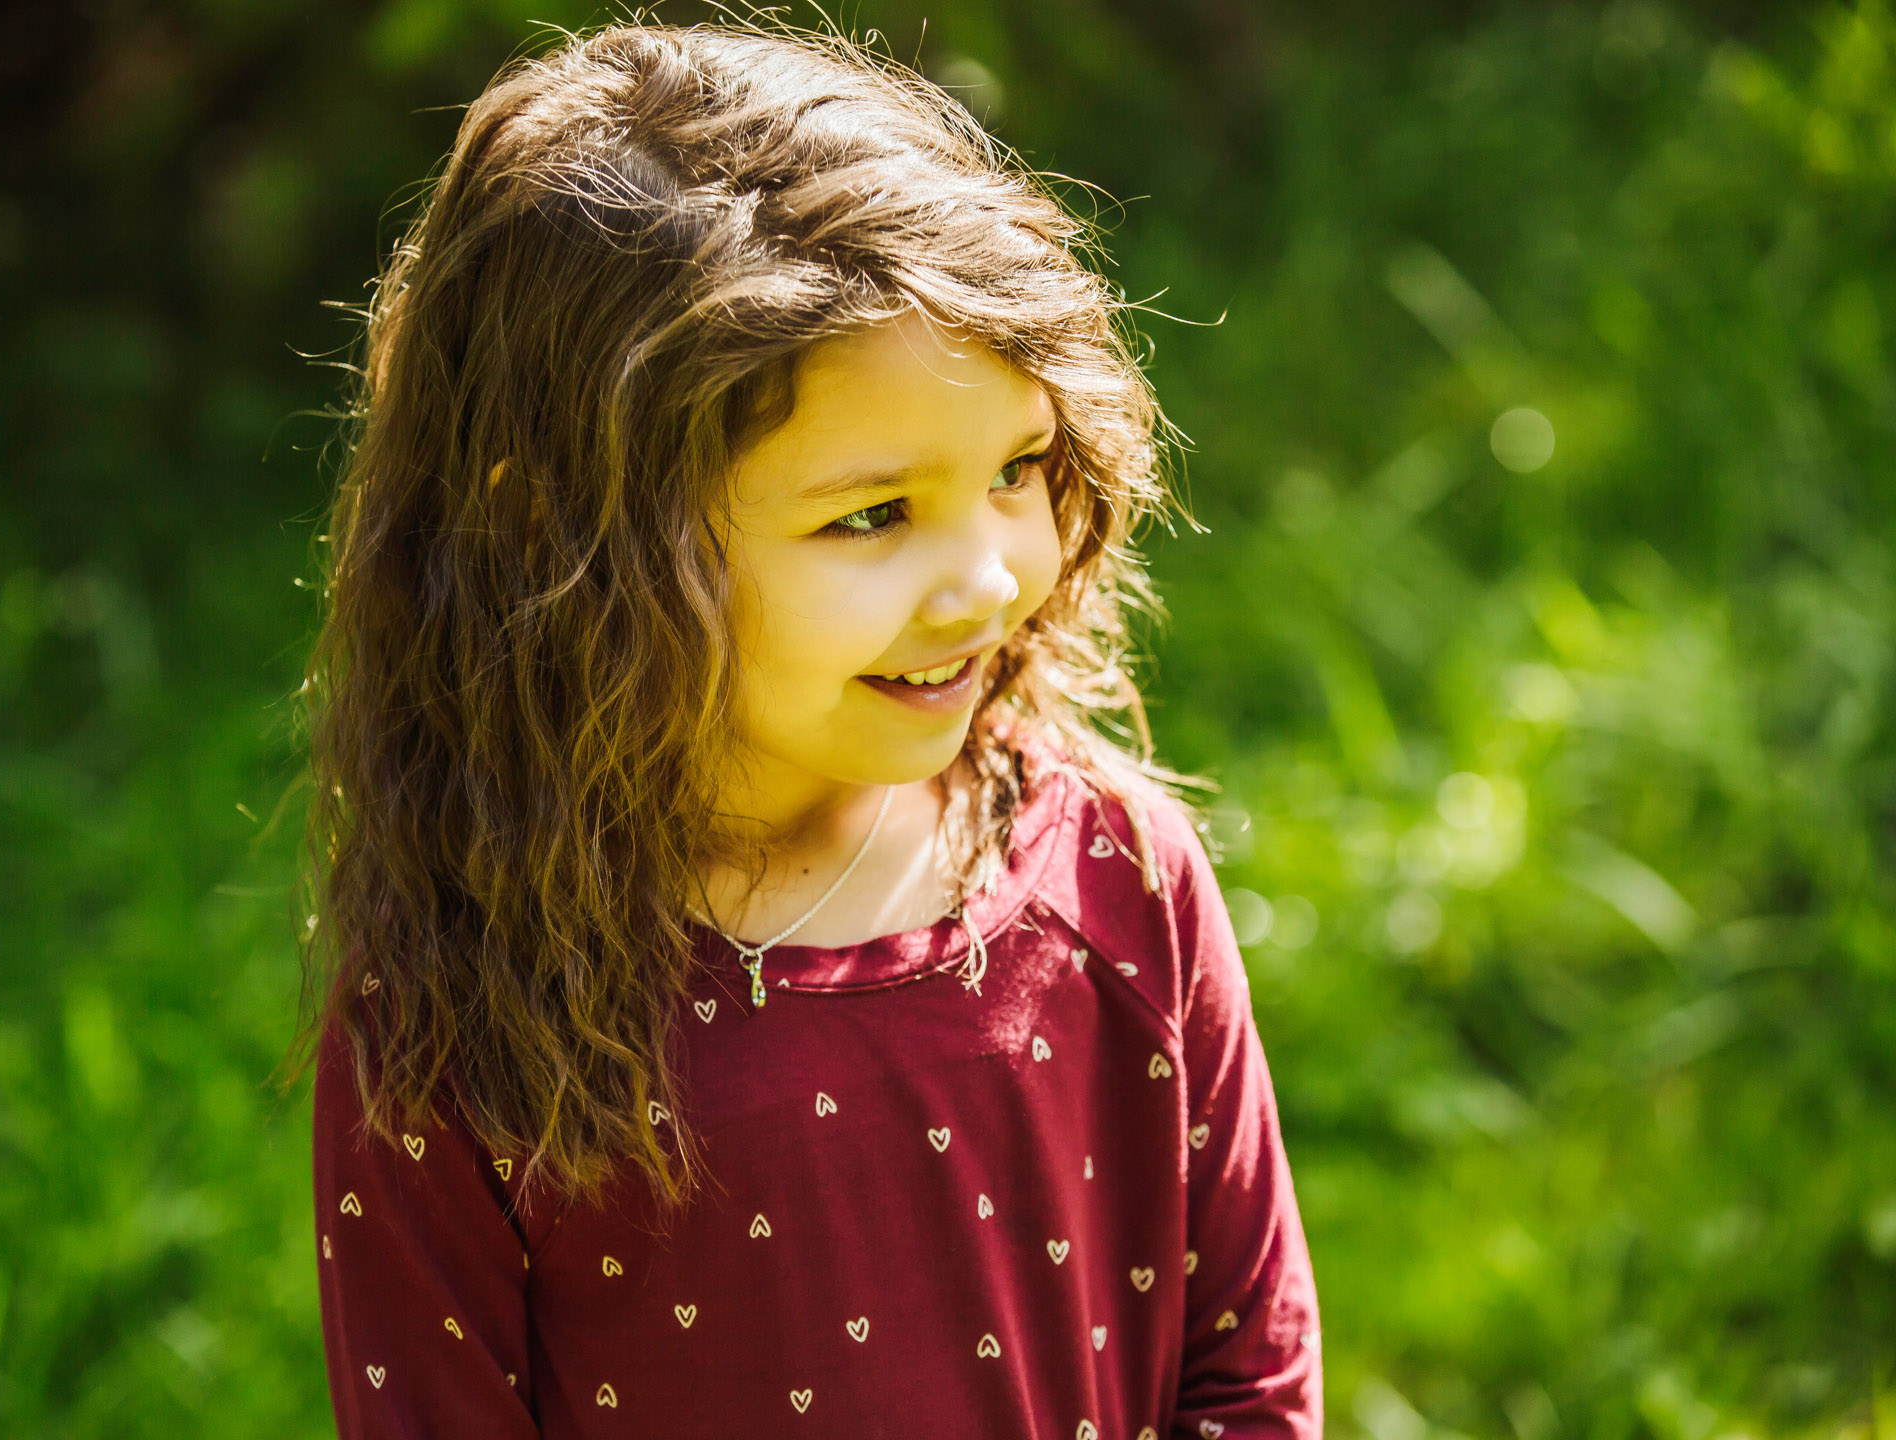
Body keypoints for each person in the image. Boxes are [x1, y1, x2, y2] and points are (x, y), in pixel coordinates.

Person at [296, 21, 1321, 1439]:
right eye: (872, 514)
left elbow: (1249, 1370)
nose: (985, 577)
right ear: (550, 531)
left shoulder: (1117, 880)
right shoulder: (453, 1019)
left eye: (1019, 468)